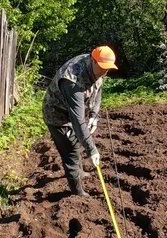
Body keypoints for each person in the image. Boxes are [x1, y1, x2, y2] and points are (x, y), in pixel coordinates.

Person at [42, 46, 118, 197]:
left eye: (107, 69)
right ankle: (78, 192)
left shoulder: (97, 68)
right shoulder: (72, 79)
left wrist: (94, 116)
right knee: (70, 151)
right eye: (102, 68)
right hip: (58, 116)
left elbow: (98, 91)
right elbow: (76, 119)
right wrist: (92, 149)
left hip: (76, 113)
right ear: (93, 61)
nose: (105, 72)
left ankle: (80, 172)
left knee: (77, 142)